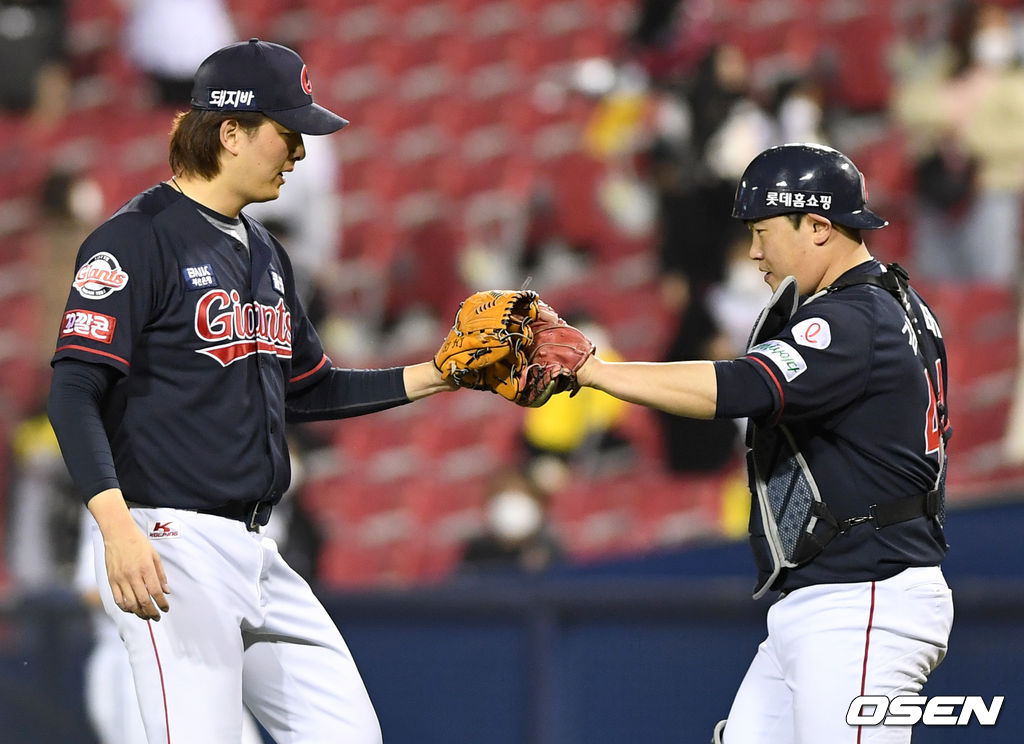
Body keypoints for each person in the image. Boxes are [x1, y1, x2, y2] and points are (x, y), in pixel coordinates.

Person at [46, 38, 455, 743]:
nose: (298, 152)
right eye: (286, 132)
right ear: (230, 132)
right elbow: (73, 390)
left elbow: (312, 388)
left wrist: (442, 374)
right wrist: (116, 530)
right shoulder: (133, 239)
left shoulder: (265, 252)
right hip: (168, 544)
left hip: (258, 548)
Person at [569, 143, 954, 743]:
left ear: (819, 227)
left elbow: (744, 385)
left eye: (763, 231)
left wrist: (596, 370)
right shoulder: (893, 303)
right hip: (829, 597)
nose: (753, 252)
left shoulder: (855, 317)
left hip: (865, 601)